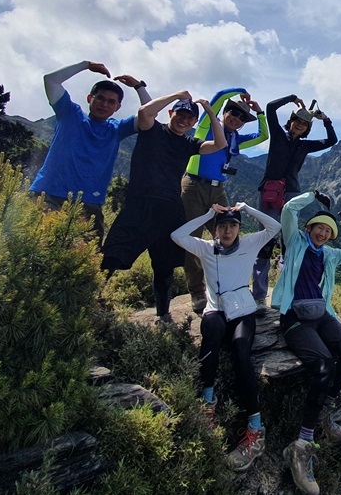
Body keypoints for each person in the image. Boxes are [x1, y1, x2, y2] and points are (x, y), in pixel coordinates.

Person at [171, 202, 280, 471]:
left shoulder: (250, 244)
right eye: (222, 226)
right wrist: (209, 213)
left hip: (242, 310)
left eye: (232, 225)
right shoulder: (206, 248)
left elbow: (275, 227)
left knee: (242, 353)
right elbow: (177, 236)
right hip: (217, 309)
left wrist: (247, 208)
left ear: (239, 228)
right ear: (216, 230)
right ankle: (208, 402)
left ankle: (255, 429)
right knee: (211, 332)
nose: (227, 230)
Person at [99, 92, 226, 323]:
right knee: (111, 255)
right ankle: (91, 300)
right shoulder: (152, 130)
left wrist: (209, 110)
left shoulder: (189, 143)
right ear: (171, 113)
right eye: (181, 114)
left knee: (164, 266)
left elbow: (220, 143)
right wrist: (177, 94)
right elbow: (144, 112)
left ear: (194, 123)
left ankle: (163, 314)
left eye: (190, 118)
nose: (184, 120)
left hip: (170, 210)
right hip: (140, 204)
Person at [272, 191, 341, 495]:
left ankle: (325, 407)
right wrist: (313, 197)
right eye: (318, 228)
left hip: (320, 313)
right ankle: (301, 445)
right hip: (294, 315)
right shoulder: (295, 241)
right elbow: (287, 209)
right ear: (308, 228)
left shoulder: (329, 254)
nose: (323, 233)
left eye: (328, 231)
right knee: (323, 365)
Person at [30, 60, 151, 244]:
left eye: (111, 102)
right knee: (39, 248)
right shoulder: (70, 114)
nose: (104, 104)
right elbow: (51, 80)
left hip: (89, 202)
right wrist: (85, 65)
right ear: (90, 99)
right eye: (100, 98)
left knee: (86, 261)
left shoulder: (117, 129)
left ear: (117, 107)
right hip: (49, 195)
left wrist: (138, 86)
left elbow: (149, 114)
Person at [181, 89, 268, 313]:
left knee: (229, 235)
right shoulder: (207, 126)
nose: (237, 119)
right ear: (224, 112)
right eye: (233, 113)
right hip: (193, 186)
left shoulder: (235, 140)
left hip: (217, 190)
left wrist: (260, 114)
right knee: (194, 241)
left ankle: (234, 287)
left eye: (241, 118)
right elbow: (217, 98)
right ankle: (197, 292)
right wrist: (240, 91)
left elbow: (262, 137)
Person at [253, 96, 337, 309]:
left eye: (304, 124)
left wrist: (324, 118)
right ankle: (260, 295)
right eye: (297, 121)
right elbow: (270, 108)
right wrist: (291, 98)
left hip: (290, 195)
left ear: (307, 129)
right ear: (290, 122)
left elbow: (331, 140)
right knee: (265, 241)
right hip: (270, 192)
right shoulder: (278, 136)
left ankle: (286, 294)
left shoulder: (304, 146)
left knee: (289, 245)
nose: (299, 125)